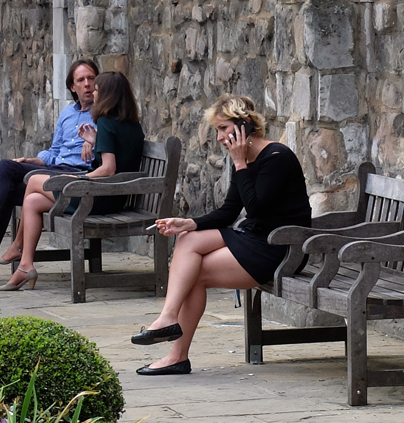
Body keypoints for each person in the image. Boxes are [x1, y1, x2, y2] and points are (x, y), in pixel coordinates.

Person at [131, 95, 312, 375]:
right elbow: (229, 212)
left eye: (224, 128)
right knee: (188, 240)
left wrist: (240, 164)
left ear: (245, 127)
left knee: (195, 273)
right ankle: (169, 326)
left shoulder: (277, 157)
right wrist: (188, 223)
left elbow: (256, 209)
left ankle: (176, 353)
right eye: (217, 130)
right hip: (257, 238)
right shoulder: (244, 159)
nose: (218, 137)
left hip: (282, 248)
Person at [0, 58, 99, 282]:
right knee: (7, 169)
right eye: (81, 80)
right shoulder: (67, 114)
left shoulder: (104, 113)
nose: (87, 84)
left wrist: (94, 141)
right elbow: (54, 151)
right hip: (54, 169)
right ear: (72, 87)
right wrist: (33, 160)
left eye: (91, 78)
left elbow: (109, 154)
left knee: (13, 184)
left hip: (75, 178)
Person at [0, 70, 145, 291]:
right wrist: (97, 141)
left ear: (106, 95)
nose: (93, 93)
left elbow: (108, 168)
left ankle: (18, 246)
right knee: (32, 202)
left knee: (35, 181)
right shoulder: (132, 124)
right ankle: (25, 265)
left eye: (96, 89)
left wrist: (78, 178)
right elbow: (121, 154)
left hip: (99, 198)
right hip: (114, 195)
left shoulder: (105, 121)